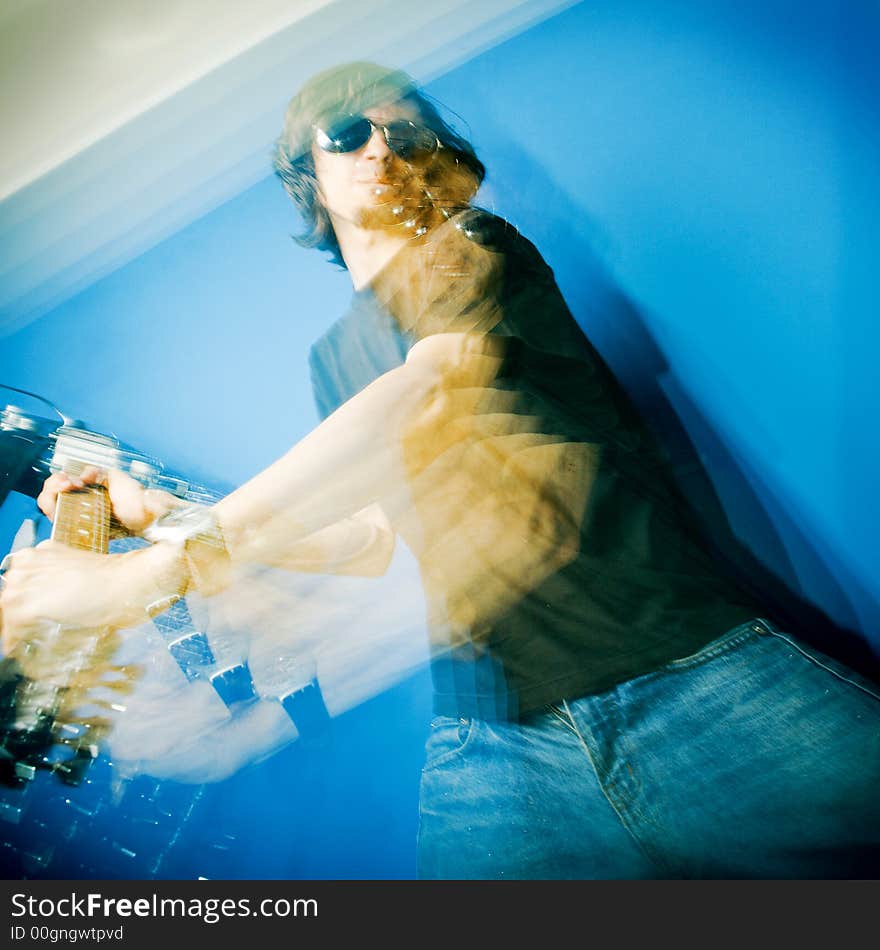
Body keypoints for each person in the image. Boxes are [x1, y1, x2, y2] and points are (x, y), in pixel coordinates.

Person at [1, 61, 879, 879]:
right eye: (349, 131)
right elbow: (370, 542)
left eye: (408, 133)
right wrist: (163, 517)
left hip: (692, 679)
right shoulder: (335, 356)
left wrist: (147, 577)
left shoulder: (474, 247)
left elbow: (427, 394)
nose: (383, 146)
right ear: (307, 170)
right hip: (498, 748)